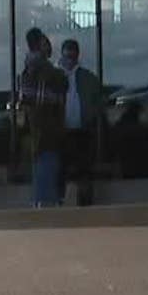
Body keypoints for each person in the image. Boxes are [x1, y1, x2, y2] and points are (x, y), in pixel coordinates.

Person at [17, 27, 69, 208]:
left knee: (43, 159)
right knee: (48, 160)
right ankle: (46, 199)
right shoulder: (44, 69)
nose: (49, 46)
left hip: (39, 124)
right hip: (46, 123)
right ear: (39, 45)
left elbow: (27, 98)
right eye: (45, 43)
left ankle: (42, 199)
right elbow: (59, 86)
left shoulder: (28, 70)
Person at [59, 40, 104, 207]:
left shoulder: (88, 78)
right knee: (63, 168)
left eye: (72, 55)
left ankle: (85, 202)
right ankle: (63, 200)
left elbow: (97, 102)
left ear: (77, 55)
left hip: (83, 130)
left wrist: (90, 117)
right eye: (66, 55)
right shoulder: (55, 77)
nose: (69, 59)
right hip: (62, 131)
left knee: (84, 168)